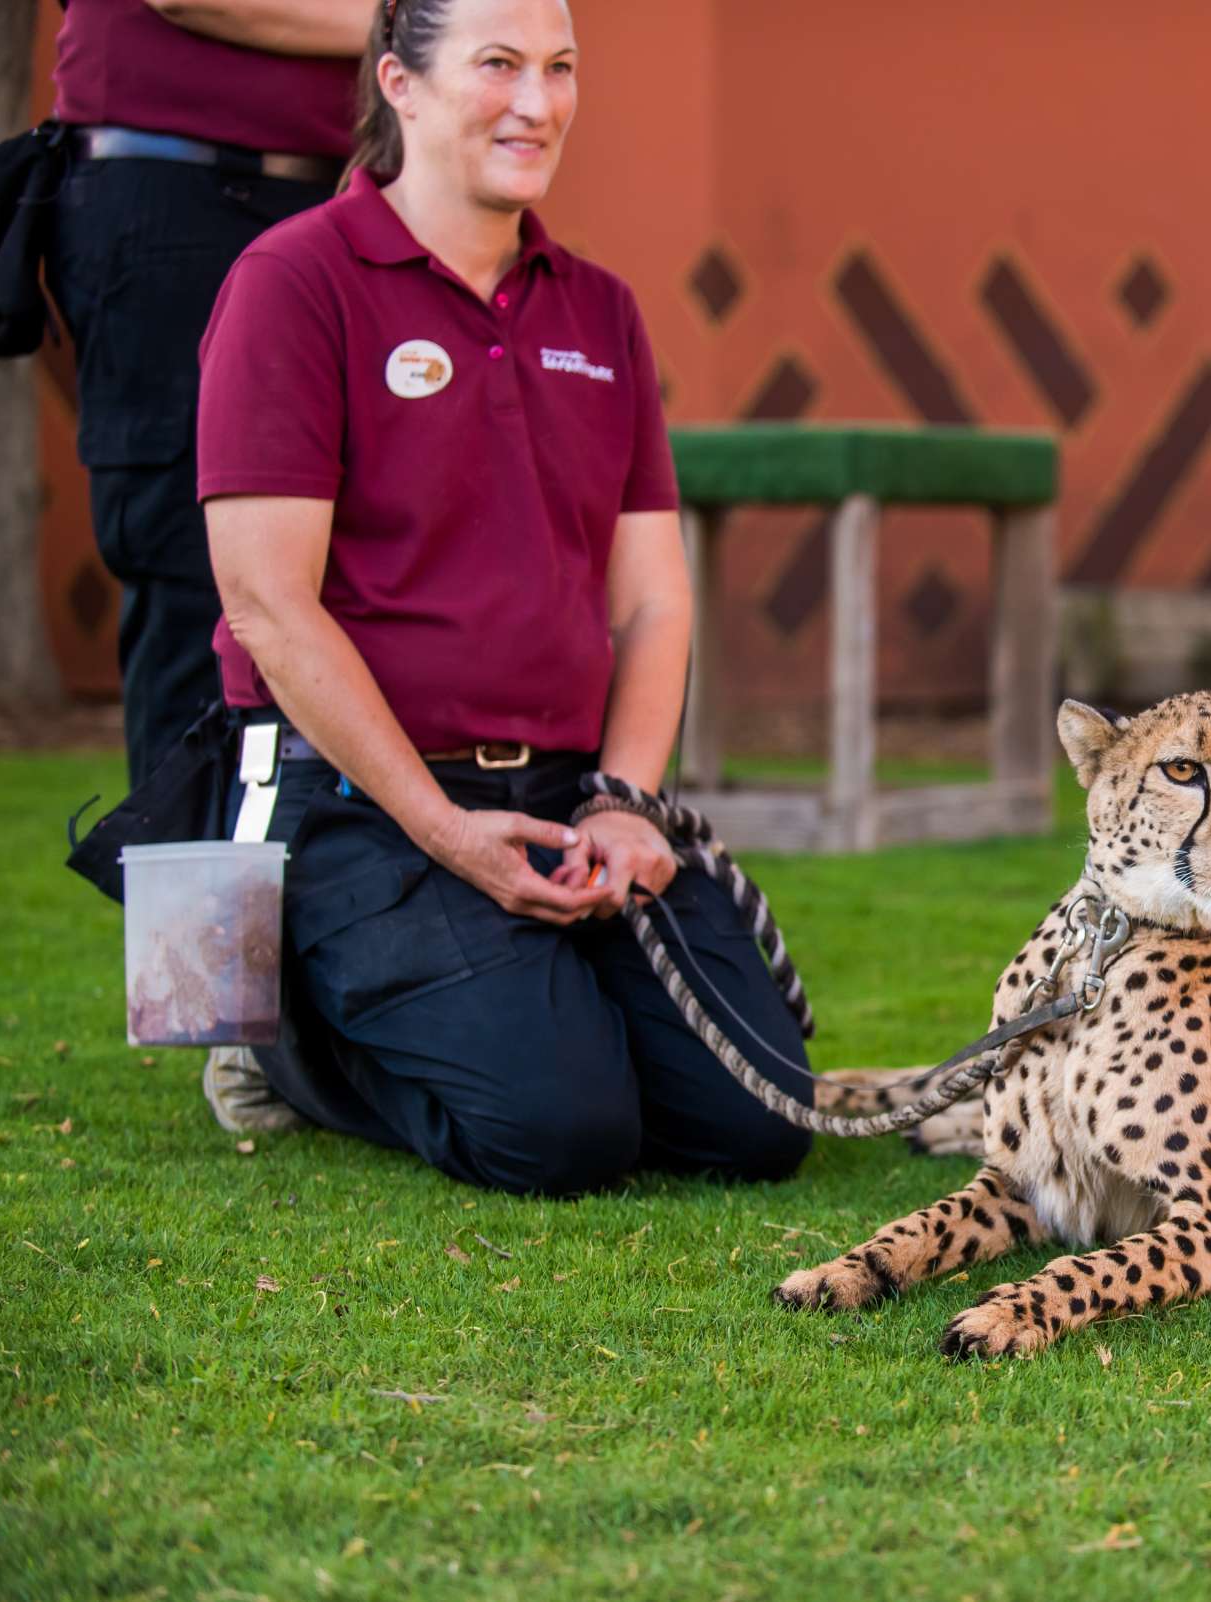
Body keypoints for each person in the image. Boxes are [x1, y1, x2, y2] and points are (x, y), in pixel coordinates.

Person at [193, 0, 816, 1193]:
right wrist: (441, 829)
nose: (538, 104)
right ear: (402, 84)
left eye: (560, 69)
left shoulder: (601, 312)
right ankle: (282, 1050)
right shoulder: (294, 282)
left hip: (567, 795)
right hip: (357, 805)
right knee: (559, 1133)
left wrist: (629, 806)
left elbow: (652, 604)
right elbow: (268, 607)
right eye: (498, 66)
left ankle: (533, 1000)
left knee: (760, 1121)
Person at [45, 0, 368, 787]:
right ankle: (189, 909)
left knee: (361, 572)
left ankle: (334, 899)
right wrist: (420, 21)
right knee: (201, 584)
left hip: (345, 198)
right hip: (176, 197)